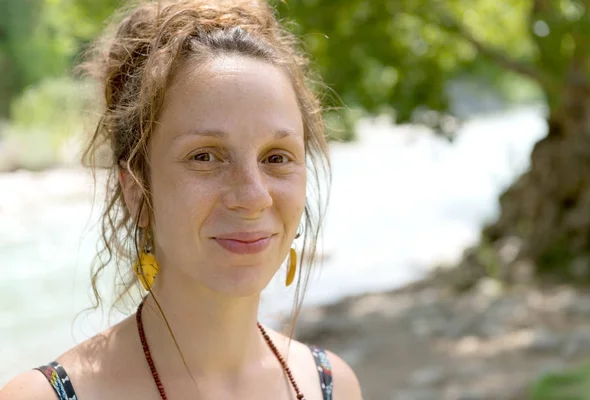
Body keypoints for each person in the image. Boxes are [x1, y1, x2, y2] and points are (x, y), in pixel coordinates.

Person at [0, 0, 362, 399]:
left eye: (276, 157)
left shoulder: (332, 385)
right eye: (204, 156)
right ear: (136, 191)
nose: (254, 197)